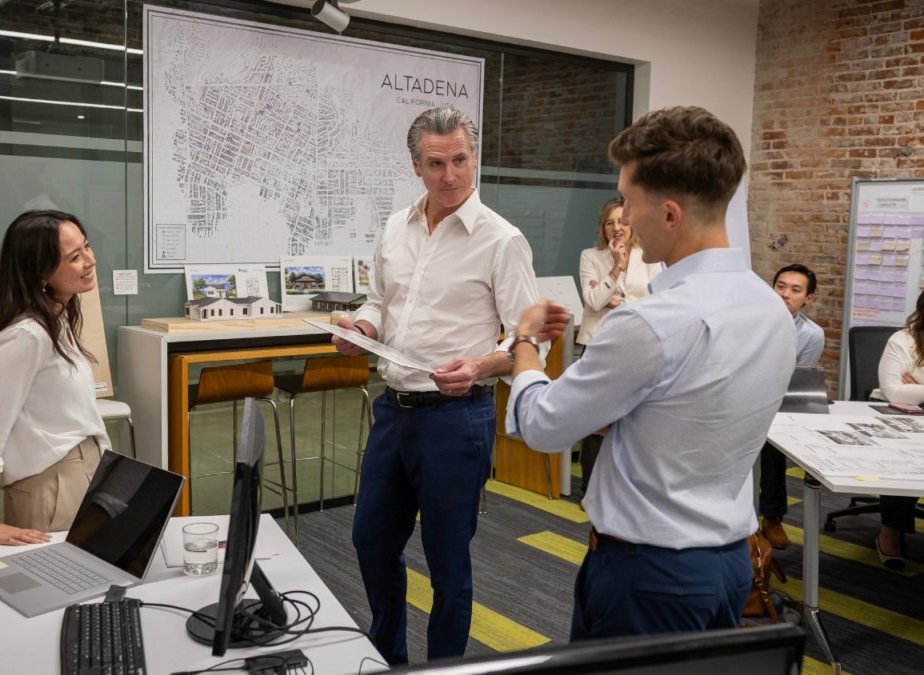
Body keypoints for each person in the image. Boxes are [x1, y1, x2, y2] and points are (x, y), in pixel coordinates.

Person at [507, 106, 797, 640]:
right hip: (732, 566)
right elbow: (695, 412)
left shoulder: (649, 323)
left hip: (649, 576)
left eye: (629, 202)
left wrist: (525, 343)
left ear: (668, 215)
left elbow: (543, 426)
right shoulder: (771, 308)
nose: (625, 219)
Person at [331, 107, 555, 664]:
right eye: (437, 163)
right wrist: (362, 328)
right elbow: (381, 302)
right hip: (394, 411)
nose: (451, 175)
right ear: (416, 165)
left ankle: (446, 668)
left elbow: (532, 342)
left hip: (457, 418)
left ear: (473, 158)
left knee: (447, 561)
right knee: (371, 541)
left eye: (460, 160)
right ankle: (389, 656)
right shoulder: (394, 227)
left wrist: (481, 366)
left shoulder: (502, 241)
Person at [0, 210, 110, 546]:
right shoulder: (25, 336)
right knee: (62, 589)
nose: (90, 260)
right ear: (41, 273)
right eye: (75, 257)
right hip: (52, 485)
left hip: (80, 470)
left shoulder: (57, 318)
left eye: (87, 248)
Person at [575, 196, 663, 494]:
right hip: (598, 345)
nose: (616, 227)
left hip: (637, 346)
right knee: (594, 418)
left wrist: (618, 302)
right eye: (609, 222)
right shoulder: (590, 256)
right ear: (603, 227)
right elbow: (594, 300)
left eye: (621, 221)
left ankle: (628, 487)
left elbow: (659, 302)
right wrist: (616, 267)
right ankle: (591, 489)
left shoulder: (649, 256)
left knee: (635, 418)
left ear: (631, 224)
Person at [759, 263, 824, 549]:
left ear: (808, 298)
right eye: (780, 286)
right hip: (736, 396)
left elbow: (793, 380)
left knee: (775, 441)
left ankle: (772, 516)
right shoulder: (750, 319)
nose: (785, 294)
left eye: (795, 290)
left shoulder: (811, 334)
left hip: (776, 401)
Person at [872, 289, 924, 570]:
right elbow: (894, 391)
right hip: (893, 413)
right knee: (907, 454)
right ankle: (889, 531)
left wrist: (915, 385)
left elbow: (907, 390)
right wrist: (911, 391)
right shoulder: (902, 340)